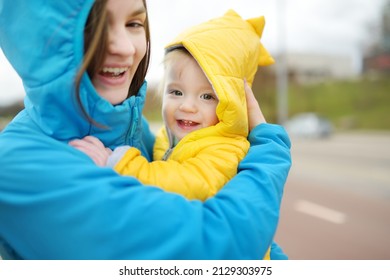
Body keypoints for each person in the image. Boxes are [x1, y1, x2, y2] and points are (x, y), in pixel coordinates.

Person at [0, 0, 291, 260]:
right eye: (95, 25)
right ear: (42, 40)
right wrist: (270, 153)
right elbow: (219, 250)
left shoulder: (132, 130)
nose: (125, 47)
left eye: (134, 23)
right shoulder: (21, 166)